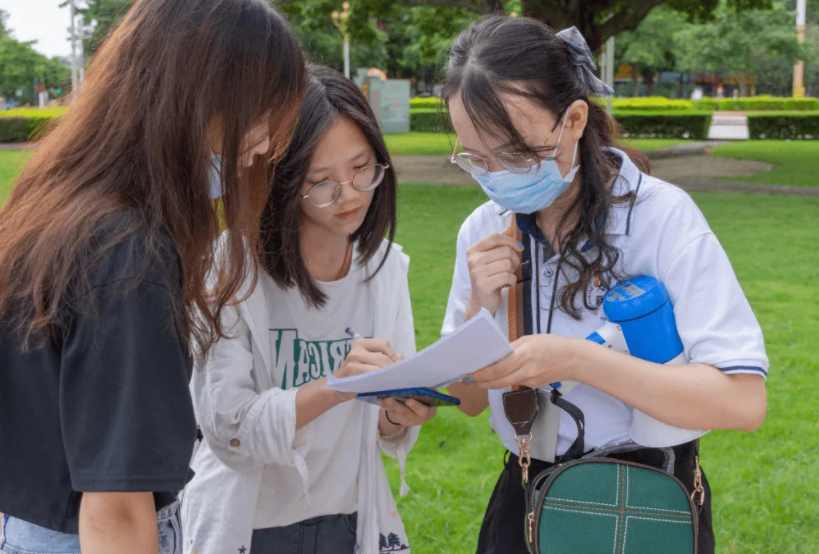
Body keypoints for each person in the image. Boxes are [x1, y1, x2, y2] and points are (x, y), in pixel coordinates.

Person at [440, 16, 768, 554]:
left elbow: (742, 402)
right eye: (476, 158)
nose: (497, 175)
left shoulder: (661, 219)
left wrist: (576, 360)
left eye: (516, 153)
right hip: (526, 498)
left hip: (647, 498)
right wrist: (480, 306)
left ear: (573, 120)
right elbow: (467, 399)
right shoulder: (485, 230)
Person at [0, 1, 304, 553]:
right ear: (195, 98)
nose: (263, 144)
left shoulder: (59, 210)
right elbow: (116, 507)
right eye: (259, 114)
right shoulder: (129, 255)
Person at [182, 65, 435, 554]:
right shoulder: (229, 270)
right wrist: (335, 386)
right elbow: (228, 428)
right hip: (250, 527)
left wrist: (398, 414)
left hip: (349, 518)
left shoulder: (384, 268)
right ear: (280, 181)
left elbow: (383, 429)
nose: (350, 194)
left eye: (362, 168)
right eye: (321, 182)